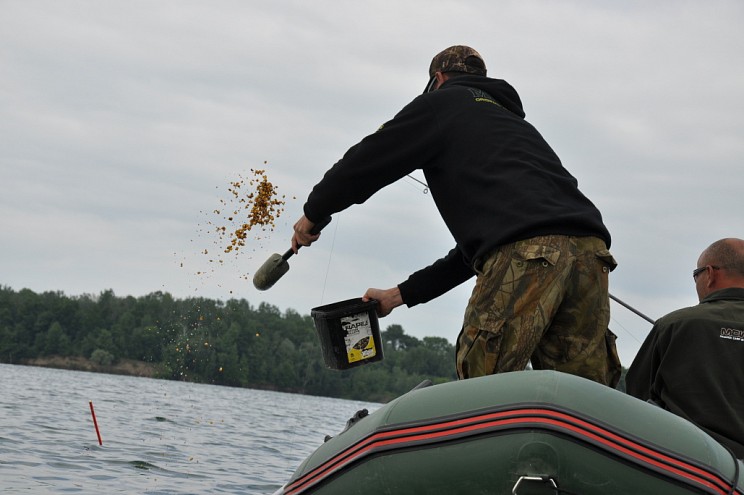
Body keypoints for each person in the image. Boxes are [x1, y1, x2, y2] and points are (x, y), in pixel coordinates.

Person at [292, 45, 620, 387]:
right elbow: (478, 253)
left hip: (526, 252)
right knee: (583, 392)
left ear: (438, 79)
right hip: (591, 252)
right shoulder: (517, 128)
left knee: (482, 381)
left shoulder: (440, 103)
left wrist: (312, 215)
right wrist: (399, 295)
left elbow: (364, 163)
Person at [626, 238, 744, 458]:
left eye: (695, 275)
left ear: (710, 274)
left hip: (687, 468)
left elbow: (636, 399)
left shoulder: (674, 325)